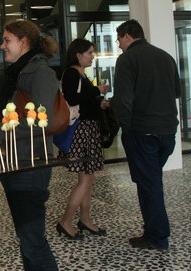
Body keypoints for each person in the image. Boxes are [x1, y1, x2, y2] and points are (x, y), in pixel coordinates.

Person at [113, 19, 180, 250]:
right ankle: (155, 231)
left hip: (142, 131)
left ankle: (157, 236)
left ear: (128, 36)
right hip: (168, 132)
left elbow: (123, 99)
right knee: (152, 181)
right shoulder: (166, 57)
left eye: (119, 39)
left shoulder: (127, 59)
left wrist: (125, 125)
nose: (119, 44)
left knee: (149, 184)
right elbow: (176, 92)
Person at [0, 20, 58, 271]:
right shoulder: (19, 72)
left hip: (31, 163)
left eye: (6, 40)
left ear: (24, 42)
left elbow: (44, 121)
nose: (2, 46)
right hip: (17, 161)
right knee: (27, 237)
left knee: (32, 239)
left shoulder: (41, 72)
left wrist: (0, 131)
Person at [57, 39, 109, 239]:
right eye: (89, 52)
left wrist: (99, 104)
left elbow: (83, 101)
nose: (92, 56)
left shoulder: (80, 74)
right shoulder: (71, 73)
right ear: (78, 55)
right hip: (82, 131)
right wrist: (97, 90)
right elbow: (72, 99)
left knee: (88, 177)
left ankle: (85, 219)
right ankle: (65, 221)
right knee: (86, 178)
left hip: (87, 129)